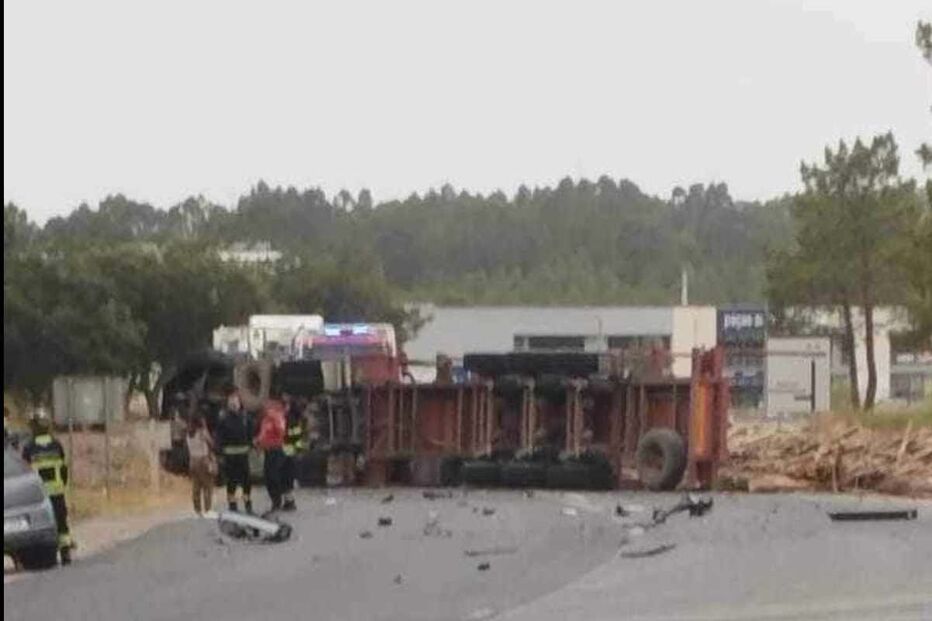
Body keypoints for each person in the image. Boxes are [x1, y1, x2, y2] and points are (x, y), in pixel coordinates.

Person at [20, 409, 74, 565]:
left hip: (38, 495)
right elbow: (63, 468)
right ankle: (65, 553)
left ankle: (41, 554)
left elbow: (25, 472)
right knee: (61, 522)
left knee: (40, 523)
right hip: (57, 491)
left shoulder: (29, 448)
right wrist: (63, 485)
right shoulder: (56, 445)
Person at [215, 390, 254, 513]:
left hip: (243, 456)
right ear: (227, 404)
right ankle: (232, 505)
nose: (233, 404)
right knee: (231, 482)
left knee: (247, 482)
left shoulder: (246, 418)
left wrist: (252, 446)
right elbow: (219, 437)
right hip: (230, 457)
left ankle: (248, 504)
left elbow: (251, 434)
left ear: (239, 403)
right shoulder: (223, 419)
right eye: (231, 402)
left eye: (235, 402)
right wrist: (219, 453)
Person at [255, 397, 287, 512]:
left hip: (276, 450)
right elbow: (263, 434)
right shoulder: (265, 420)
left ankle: (277, 501)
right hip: (268, 451)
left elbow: (281, 432)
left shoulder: (277, 417)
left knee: (273, 476)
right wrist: (258, 442)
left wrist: (274, 418)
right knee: (268, 477)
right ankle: (275, 501)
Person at [280, 393, 307, 511]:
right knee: (287, 477)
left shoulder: (289, 419)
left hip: (286, 452)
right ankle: (288, 500)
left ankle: (288, 501)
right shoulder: (291, 418)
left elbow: (295, 436)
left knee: (286, 477)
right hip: (288, 452)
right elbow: (297, 437)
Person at [186, 413, 216, 516]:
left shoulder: (189, 433)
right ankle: (208, 509)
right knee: (207, 486)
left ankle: (197, 510)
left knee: (196, 486)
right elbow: (211, 443)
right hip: (203, 460)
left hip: (193, 460)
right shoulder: (202, 432)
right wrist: (206, 428)